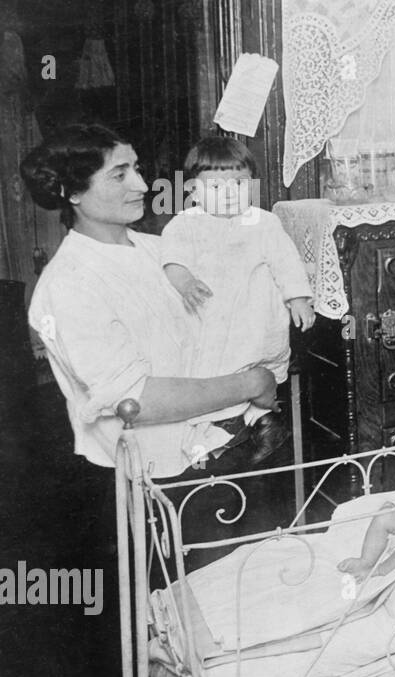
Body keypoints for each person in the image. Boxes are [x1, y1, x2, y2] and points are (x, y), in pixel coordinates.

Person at [23, 124, 279, 483]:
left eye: (137, 169)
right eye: (118, 175)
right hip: (156, 474)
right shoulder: (67, 285)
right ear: (74, 193)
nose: (142, 186)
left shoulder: (158, 250)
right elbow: (135, 400)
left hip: (226, 443)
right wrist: (253, 382)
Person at [160, 135, 314, 463]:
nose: (230, 194)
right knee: (211, 374)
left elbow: (286, 262)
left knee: (262, 369)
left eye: (240, 183)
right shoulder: (185, 224)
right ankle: (220, 428)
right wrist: (185, 281)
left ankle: (262, 418)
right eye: (216, 187)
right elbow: (172, 260)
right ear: (193, 191)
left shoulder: (264, 222)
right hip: (210, 319)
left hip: (255, 319)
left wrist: (298, 298)